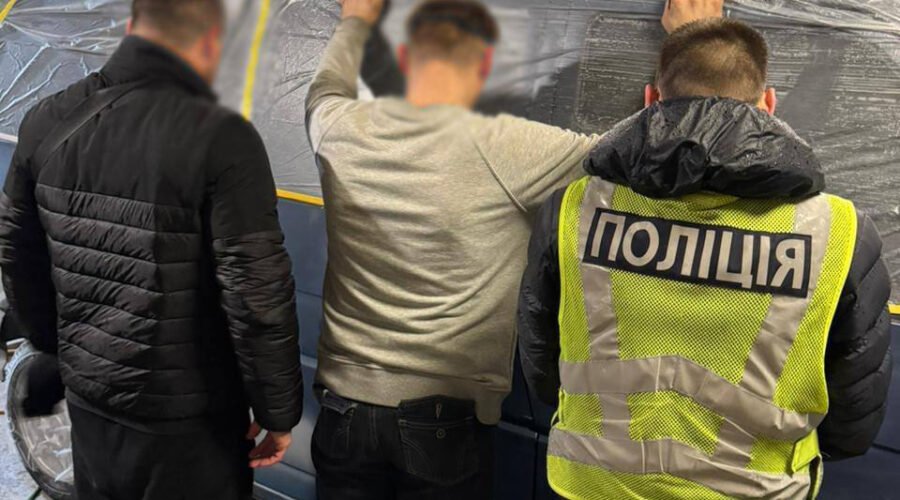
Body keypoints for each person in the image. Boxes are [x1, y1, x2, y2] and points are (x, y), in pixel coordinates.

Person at [304, 0, 722, 497]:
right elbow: (652, 149)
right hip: (441, 424)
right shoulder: (506, 148)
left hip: (340, 411)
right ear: (485, 64)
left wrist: (355, 21)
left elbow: (324, 88)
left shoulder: (339, 127)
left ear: (402, 58)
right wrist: (696, 37)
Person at [517, 17, 893, 500]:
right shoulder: (838, 232)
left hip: (595, 483)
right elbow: (854, 417)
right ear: (769, 104)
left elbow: (542, 364)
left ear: (651, 100)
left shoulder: (576, 208)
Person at [0, 0, 303, 498]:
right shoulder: (224, 138)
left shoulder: (46, 120)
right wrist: (279, 412)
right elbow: (256, 296)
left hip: (92, 408)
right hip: (190, 426)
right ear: (211, 42)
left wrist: (59, 354)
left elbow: (17, 256)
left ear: (132, 25)